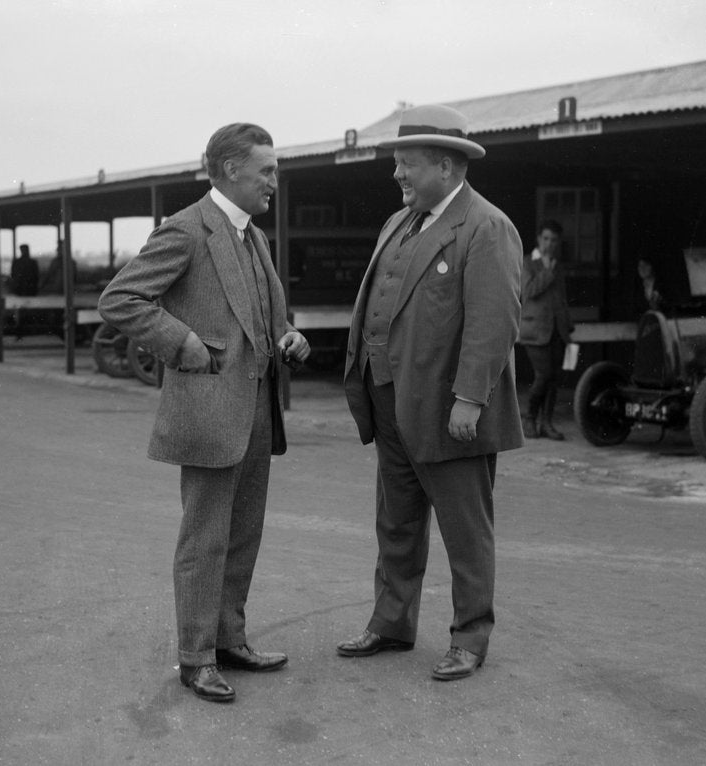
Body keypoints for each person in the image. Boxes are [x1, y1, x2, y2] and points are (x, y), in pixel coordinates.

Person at [98, 123, 310, 703]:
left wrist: (288, 336)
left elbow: (266, 318)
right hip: (211, 409)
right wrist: (180, 341)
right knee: (205, 539)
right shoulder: (187, 230)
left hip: (258, 410)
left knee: (243, 535)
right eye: (266, 170)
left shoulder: (253, 238)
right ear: (230, 170)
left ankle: (229, 640)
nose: (275, 180)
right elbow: (120, 299)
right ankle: (195, 658)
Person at [338, 104, 524, 682]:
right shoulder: (399, 221)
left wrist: (470, 398)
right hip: (390, 400)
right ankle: (391, 623)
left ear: (445, 167)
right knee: (395, 522)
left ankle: (470, 638)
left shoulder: (486, 226)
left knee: (465, 531)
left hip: (449, 411)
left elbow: (493, 323)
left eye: (406, 164)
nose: (396, 175)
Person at [519, 220, 573, 440]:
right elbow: (529, 291)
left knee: (553, 379)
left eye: (554, 240)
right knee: (544, 375)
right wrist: (547, 272)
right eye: (546, 239)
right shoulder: (527, 263)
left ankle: (547, 423)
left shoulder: (557, 265)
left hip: (557, 330)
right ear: (539, 239)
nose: (549, 244)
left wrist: (567, 327)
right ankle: (529, 418)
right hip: (535, 330)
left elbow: (561, 298)